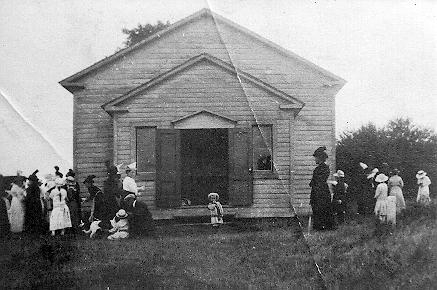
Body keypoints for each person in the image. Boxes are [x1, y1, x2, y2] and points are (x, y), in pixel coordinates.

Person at [309, 146, 334, 231]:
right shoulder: (322, 168)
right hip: (320, 190)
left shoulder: (321, 169)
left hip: (320, 191)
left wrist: (313, 184)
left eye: (316, 158)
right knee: (319, 208)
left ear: (320, 158)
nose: (315, 160)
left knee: (321, 209)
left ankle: (323, 227)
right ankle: (321, 227)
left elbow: (317, 181)